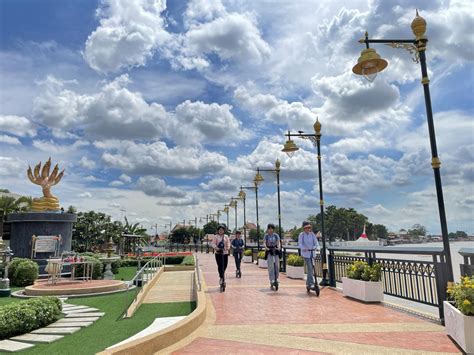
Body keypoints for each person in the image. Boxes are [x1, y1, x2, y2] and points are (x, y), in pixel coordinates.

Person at [298, 221, 320, 292]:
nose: (308, 229)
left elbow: (316, 242)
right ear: (304, 228)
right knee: (310, 269)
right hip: (306, 254)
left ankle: (308, 284)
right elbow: (300, 244)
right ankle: (311, 284)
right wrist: (304, 248)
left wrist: (316, 247)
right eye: (306, 228)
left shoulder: (312, 234)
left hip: (312, 253)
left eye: (309, 227)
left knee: (313, 268)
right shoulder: (302, 235)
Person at [212, 224, 231, 289]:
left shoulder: (226, 236)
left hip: (225, 253)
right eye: (220, 230)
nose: (221, 231)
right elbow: (213, 244)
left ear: (224, 230)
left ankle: (222, 276)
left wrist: (228, 247)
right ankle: (221, 277)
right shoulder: (215, 236)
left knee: (225, 265)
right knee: (220, 266)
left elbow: (228, 243)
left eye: (222, 230)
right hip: (218, 253)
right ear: (218, 230)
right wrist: (216, 248)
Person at [264, 223, 281, 290]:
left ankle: (276, 278)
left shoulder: (276, 235)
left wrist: (278, 247)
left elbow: (278, 242)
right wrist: (266, 247)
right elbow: (264, 242)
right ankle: (272, 280)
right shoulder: (266, 236)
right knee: (271, 266)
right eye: (269, 228)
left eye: (271, 228)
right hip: (269, 251)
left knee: (277, 266)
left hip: (275, 250)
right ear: (267, 229)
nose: (270, 230)